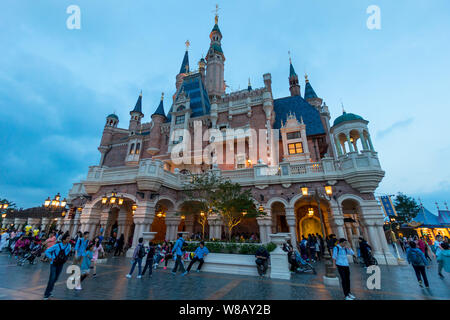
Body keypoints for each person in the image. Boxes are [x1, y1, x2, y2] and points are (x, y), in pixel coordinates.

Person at [43, 234, 72, 299]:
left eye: (69, 238)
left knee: (55, 278)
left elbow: (67, 253)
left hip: (61, 264)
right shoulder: (57, 245)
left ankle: (50, 291)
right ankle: (46, 294)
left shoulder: (69, 246)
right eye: (67, 238)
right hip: (54, 263)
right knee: (52, 279)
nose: (69, 239)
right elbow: (47, 251)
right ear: (63, 239)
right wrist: (50, 257)